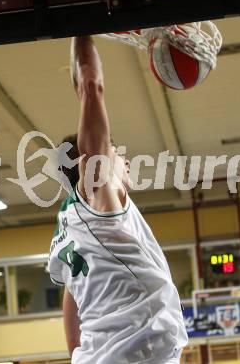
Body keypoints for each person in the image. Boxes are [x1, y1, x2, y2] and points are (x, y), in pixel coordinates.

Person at [47, 36, 188, 364]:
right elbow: (91, 85)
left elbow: (72, 319)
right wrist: (83, 26)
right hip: (137, 353)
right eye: (116, 150)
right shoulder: (101, 201)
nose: (124, 160)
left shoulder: (68, 231)